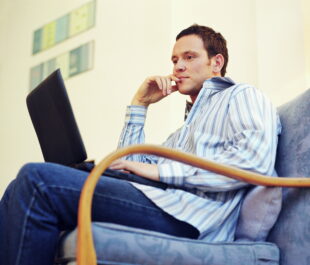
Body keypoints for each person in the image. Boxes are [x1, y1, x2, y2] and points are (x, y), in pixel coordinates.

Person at [0, 24, 281, 265]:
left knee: (36, 180)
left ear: (216, 63)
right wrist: (140, 105)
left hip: (190, 218)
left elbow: (253, 161)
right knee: (16, 188)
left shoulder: (242, 95)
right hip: (165, 204)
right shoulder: (181, 134)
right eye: (174, 60)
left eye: (189, 56)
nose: (178, 66)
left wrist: (160, 173)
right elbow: (129, 168)